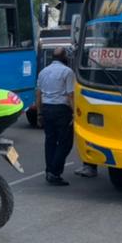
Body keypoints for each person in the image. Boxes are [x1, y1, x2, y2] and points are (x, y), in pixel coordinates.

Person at [35, 47, 75, 186]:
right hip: (62, 110)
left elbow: (38, 94)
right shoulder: (67, 72)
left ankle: (49, 170)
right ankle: (54, 172)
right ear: (64, 57)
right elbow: (70, 95)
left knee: (50, 141)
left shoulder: (43, 72)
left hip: (47, 108)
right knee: (65, 142)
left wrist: (39, 113)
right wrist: (75, 112)